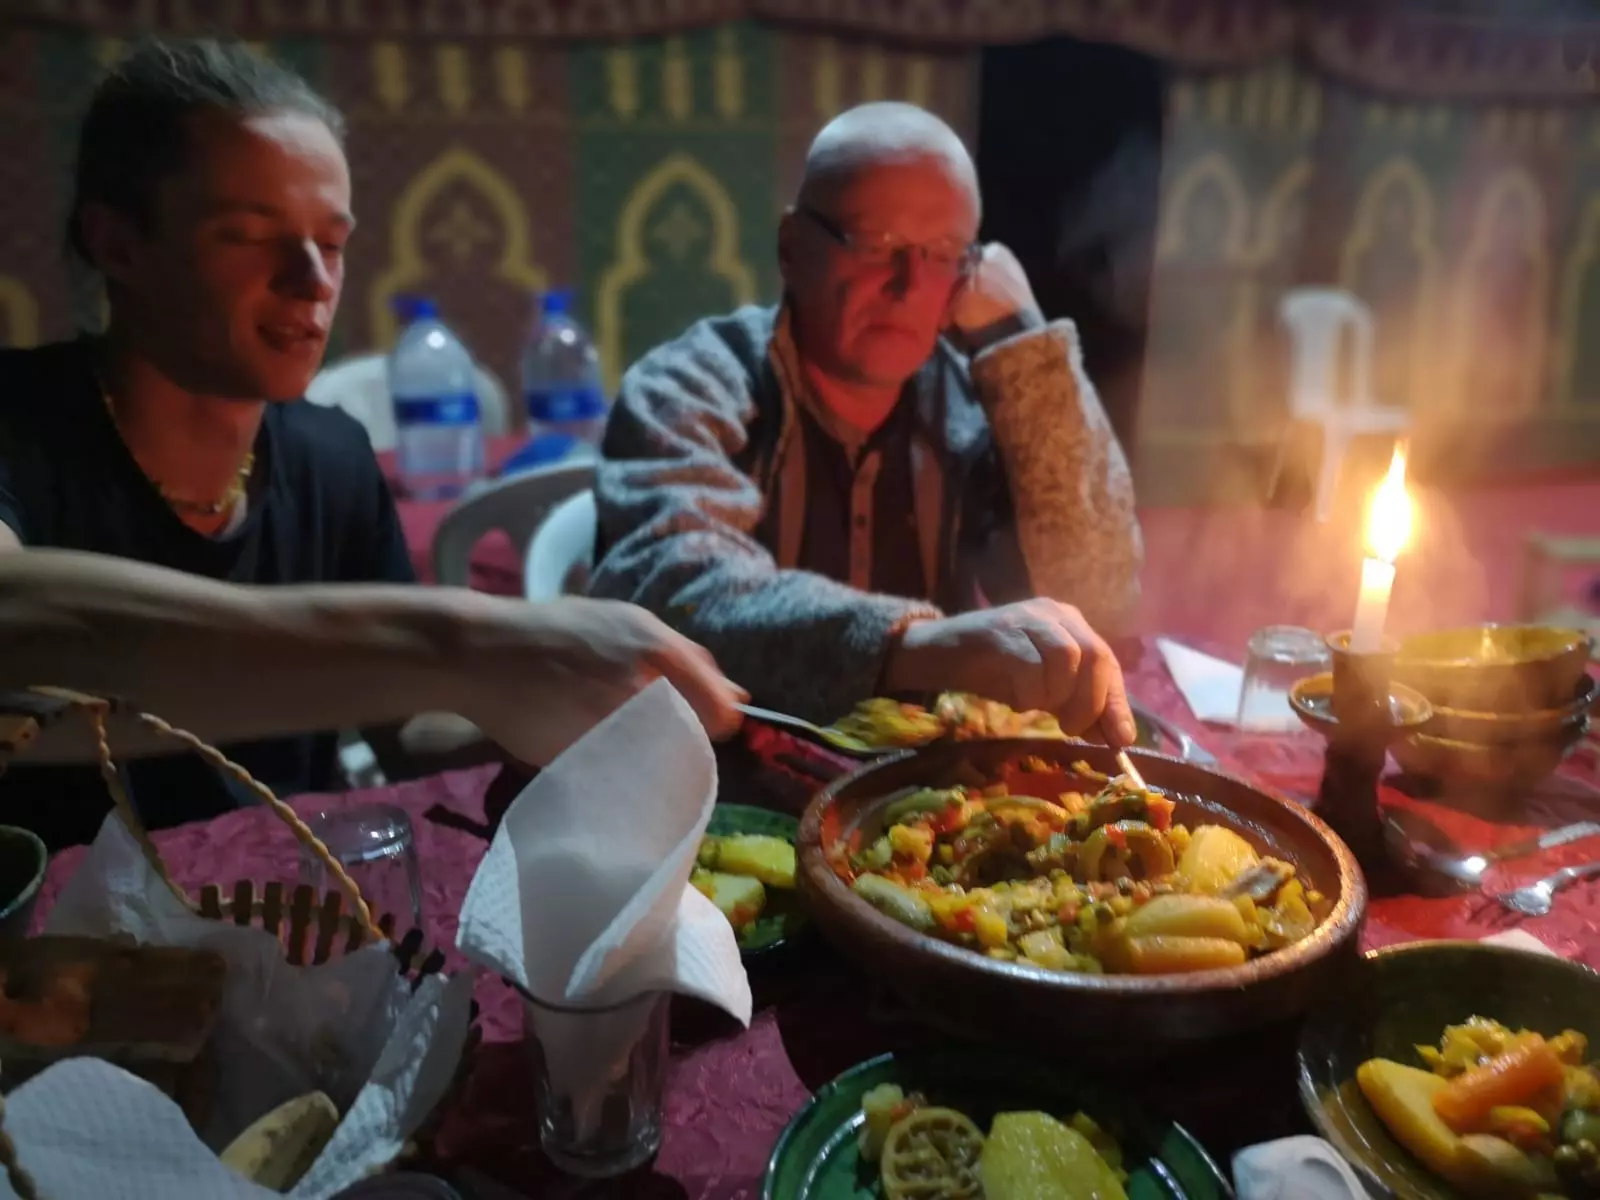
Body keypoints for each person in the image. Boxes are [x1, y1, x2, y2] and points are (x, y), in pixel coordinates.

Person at [0, 38, 742, 851]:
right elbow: (20, 633)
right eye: (249, 235)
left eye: (333, 239)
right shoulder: (23, 422)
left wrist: (554, 717)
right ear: (118, 245)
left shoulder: (331, 454)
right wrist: (476, 642)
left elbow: (404, 735)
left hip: (294, 927)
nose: (313, 278)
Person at [592, 101, 1143, 737]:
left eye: (940, 253)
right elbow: (672, 593)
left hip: (921, 788)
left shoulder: (973, 403)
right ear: (792, 248)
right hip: (720, 772)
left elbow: (1100, 590)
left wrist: (1026, 352)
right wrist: (923, 645)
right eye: (873, 242)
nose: (908, 286)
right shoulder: (694, 385)